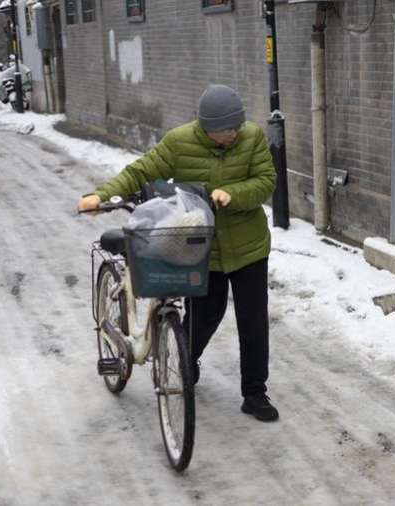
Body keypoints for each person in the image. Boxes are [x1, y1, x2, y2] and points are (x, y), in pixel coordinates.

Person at [77, 84, 279, 421]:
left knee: (253, 322)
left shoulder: (252, 138)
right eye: (224, 130)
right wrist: (101, 196)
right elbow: (140, 171)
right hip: (201, 247)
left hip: (249, 248)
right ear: (205, 127)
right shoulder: (179, 142)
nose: (232, 135)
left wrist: (233, 193)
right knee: (204, 315)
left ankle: (255, 393)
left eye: (236, 127)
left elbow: (266, 180)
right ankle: (186, 361)